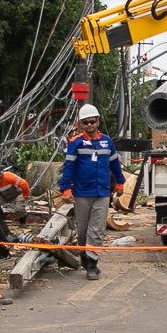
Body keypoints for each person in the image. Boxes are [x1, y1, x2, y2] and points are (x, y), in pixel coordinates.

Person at [57, 104, 124, 280]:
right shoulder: (75, 142)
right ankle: (84, 257)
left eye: (92, 122)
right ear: (81, 124)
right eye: (85, 122)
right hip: (82, 192)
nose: (89, 125)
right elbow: (69, 167)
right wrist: (66, 189)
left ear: (97, 122)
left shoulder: (107, 142)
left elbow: (115, 164)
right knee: (83, 229)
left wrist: (120, 183)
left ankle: (93, 264)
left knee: (97, 229)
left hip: (102, 192)